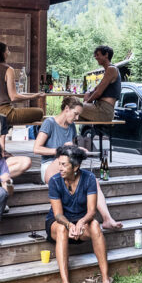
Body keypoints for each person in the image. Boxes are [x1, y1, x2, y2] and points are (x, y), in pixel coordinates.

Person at [34, 97, 123, 229]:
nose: (77, 118)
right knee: (65, 159)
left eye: (78, 115)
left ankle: (107, 219)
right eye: (75, 114)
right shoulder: (49, 123)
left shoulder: (71, 127)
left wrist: (78, 150)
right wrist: (61, 150)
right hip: (50, 166)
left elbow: (70, 152)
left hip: (67, 166)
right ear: (66, 109)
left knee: (93, 182)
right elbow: (36, 149)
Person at [46, 145, 112, 283]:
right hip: (59, 223)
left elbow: (91, 211)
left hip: (81, 222)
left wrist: (81, 222)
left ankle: (105, 278)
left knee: (95, 225)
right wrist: (70, 225)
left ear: (76, 167)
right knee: (62, 229)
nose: (59, 168)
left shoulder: (89, 179)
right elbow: (58, 214)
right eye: (59, 164)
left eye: (64, 165)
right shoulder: (55, 181)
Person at [0, 41, 45, 125]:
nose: (9, 53)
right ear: (3, 54)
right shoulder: (8, 69)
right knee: (39, 112)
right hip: (4, 113)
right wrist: (34, 96)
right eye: (7, 51)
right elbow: (13, 97)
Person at [77, 45, 121, 122]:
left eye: (98, 55)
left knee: (72, 107)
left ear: (106, 55)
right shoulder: (107, 71)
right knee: (71, 117)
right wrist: (89, 93)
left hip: (104, 111)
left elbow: (98, 93)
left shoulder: (112, 69)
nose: (96, 57)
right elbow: (96, 89)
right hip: (98, 107)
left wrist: (86, 102)